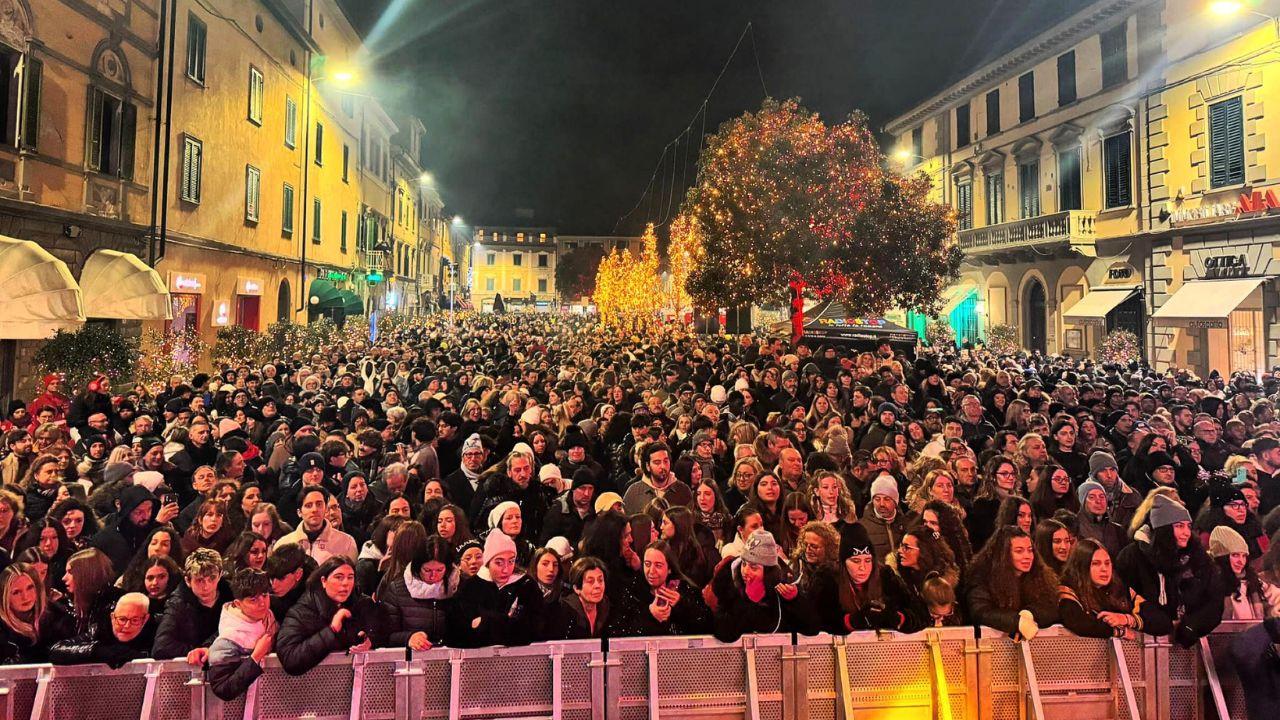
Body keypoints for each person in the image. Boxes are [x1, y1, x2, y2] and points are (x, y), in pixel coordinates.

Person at [1115, 495, 1224, 647]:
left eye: (1188, 526)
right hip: (1138, 644)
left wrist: (1191, 626)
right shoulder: (1132, 557)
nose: (1186, 532)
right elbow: (1125, 596)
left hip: (1187, 644)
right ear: (1163, 529)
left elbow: (1214, 600)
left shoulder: (1198, 557)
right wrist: (1158, 622)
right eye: (1179, 526)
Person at [276, 556, 386, 675]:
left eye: (350, 577)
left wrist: (371, 641)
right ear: (323, 581)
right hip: (312, 685)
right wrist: (331, 630)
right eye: (338, 577)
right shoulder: (302, 611)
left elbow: (384, 635)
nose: (345, 583)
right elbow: (290, 660)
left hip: (358, 681)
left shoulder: (365, 605)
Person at [710, 529, 813, 642]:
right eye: (744, 564)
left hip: (775, 654)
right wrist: (748, 603)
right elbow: (724, 634)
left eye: (754, 567)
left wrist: (795, 600)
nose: (746, 571)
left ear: (768, 571)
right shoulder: (728, 583)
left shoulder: (782, 585)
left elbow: (811, 629)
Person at [1057, 538, 1171, 639]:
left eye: (1107, 563)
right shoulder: (1069, 590)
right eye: (1096, 564)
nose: (1104, 569)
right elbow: (1079, 623)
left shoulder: (1122, 590)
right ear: (1082, 566)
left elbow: (1164, 623)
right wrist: (1117, 631)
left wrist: (1127, 619)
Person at [449, 531, 544, 648]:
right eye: (499, 563)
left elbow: (533, 630)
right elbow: (455, 634)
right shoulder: (470, 587)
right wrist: (507, 623)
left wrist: (487, 622)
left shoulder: (527, 585)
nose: (506, 569)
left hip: (520, 660)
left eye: (511, 561)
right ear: (488, 562)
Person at [964, 526, 1059, 640]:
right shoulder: (982, 576)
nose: (1027, 556)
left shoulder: (1039, 575)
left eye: (1030, 550)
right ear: (1003, 554)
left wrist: (1030, 613)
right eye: (1019, 551)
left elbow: (1052, 607)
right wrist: (1017, 622)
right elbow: (981, 611)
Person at [827, 523, 922, 633]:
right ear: (843, 562)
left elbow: (919, 614)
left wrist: (897, 618)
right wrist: (852, 621)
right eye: (856, 561)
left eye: (868, 560)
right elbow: (819, 620)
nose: (862, 567)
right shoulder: (829, 578)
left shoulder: (885, 576)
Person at [610, 540, 711, 637]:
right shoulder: (632, 590)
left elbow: (705, 625)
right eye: (647, 564)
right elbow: (617, 633)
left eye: (658, 565)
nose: (651, 571)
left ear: (669, 569)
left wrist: (680, 605)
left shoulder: (685, 590)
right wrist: (650, 615)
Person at [207, 569, 278, 700]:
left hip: (271, 699)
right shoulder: (227, 640)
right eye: (253, 600)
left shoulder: (270, 616)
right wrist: (256, 656)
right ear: (238, 604)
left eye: (265, 595)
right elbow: (223, 688)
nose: (262, 603)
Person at [152, 548, 231, 664]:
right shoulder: (177, 603)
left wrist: (209, 649)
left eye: (212, 578)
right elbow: (161, 647)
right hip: (190, 668)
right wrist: (197, 652)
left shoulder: (233, 595)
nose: (206, 586)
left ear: (220, 575)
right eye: (199, 580)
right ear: (188, 581)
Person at [380, 535, 459, 650]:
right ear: (417, 566)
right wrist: (408, 638)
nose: (433, 576)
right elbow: (384, 635)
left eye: (439, 570)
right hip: (411, 660)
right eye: (427, 570)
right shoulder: (397, 590)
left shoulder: (457, 588)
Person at [50, 592, 155, 668]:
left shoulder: (155, 634)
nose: (127, 625)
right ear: (113, 617)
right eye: (122, 619)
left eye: (135, 620)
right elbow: (56, 651)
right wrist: (97, 651)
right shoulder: (100, 630)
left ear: (145, 619)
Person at [0, 562, 73, 663]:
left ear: (38, 588)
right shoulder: (2, 627)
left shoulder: (57, 614)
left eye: (30, 588)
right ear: (5, 596)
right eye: (16, 592)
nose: (25, 597)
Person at [1208, 525, 1280, 621]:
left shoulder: (1251, 580)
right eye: (1235, 555)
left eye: (1244, 556)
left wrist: (1273, 611)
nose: (1241, 561)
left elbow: (1275, 596)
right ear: (1222, 557)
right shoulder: (1210, 584)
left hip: (1253, 634)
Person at [273, 487, 357, 564]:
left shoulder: (347, 543)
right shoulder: (283, 544)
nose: (315, 509)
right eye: (308, 506)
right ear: (299, 512)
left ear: (325, 508)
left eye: (319, 504)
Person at [543, 556, 610, 640]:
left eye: (600, 580)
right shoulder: (563, 610)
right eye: (590, 581)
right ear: (576, 588)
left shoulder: (606, 605)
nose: (597, 586)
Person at [860, 475, 906, 562]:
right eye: (877, 499)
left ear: (895, 501)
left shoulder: (906, 523)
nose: (881, 504)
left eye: (887, 499)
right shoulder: (861, 528)